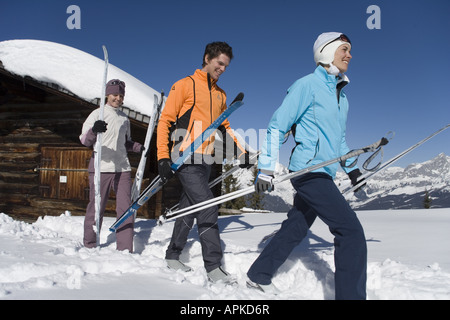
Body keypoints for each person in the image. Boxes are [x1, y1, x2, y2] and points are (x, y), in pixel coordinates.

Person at [246, 32, 367, 299]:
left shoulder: (341, 97)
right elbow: (278, 125)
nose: (349, 54)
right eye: (344, 49)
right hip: (308, 171)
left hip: (325, 171)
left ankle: (259, 274)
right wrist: (265, 166)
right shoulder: (306, 85)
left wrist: (353, 169)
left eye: (350, 50)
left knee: (297, 226)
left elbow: (339, 140)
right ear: (326, 52)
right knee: (350, 232)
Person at [156, 42, 249, 283]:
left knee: (189, 207)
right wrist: (162, 157)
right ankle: (213, 268)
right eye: (219, 63)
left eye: (226, 66)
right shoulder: (184, 84)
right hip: (185, 157)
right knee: (208, 205)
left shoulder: (221, 95)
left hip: (205, 159)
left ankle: (173, 254)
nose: (223, 69)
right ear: (207, 58)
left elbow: (224, 127)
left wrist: (241, 154)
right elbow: (165, 120)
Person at [80, 79, 143, 252]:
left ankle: (125, 248)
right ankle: (90, 244)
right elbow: (85, 140)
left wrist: (138, 147)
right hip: (101, 167)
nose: (118, 98)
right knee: (96, 206)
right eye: (115, 95)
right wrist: (95, 130)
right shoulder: (97, 114)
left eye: (121, 95)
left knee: (125, 208)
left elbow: (126, 143)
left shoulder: (124, 118)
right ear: (107, 94)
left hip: (122, 168)